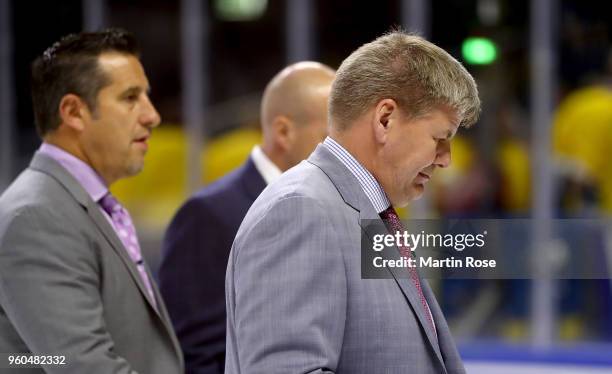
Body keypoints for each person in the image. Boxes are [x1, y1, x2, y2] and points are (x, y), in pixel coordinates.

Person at [225, 31, 480, 373]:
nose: (446, 159)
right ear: (385, 119)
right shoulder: (300, 211)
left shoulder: (361, 212)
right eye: (440, 138)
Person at [0, 29, 183, 374]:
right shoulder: (37, 216)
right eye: (131, 98)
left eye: (147, 96)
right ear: (73, 111)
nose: (152, 115)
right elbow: (82, 366)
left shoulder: (85, 204)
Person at [159, 61, 335, 374]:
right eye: (331, 136)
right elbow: (197, 354)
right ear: (283, 131)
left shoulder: (338, 204)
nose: (342, 151)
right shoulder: (208, 215)